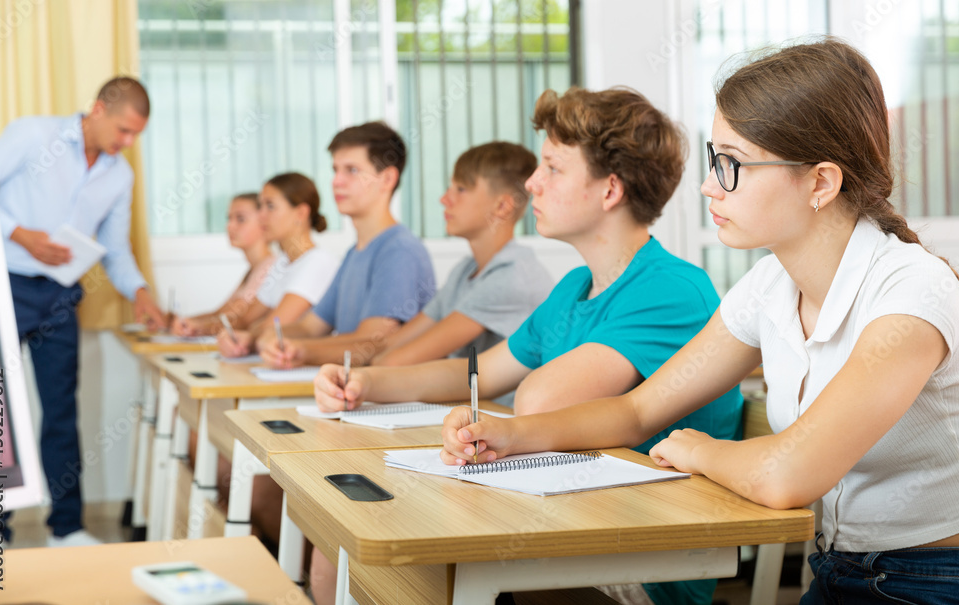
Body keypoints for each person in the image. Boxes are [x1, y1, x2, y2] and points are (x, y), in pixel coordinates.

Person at [441, 38, 959, 605]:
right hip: (840, 572)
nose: (706, 185)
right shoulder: (770, 286)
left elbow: (785, 474)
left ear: (821, 181)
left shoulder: (912, 292)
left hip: (937, 582)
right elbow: (638, 410)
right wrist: (509, 436)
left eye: (732, 165)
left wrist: (693, 449)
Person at [314, 88, 743, 605]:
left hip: (637, 567)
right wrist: (363, 384)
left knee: (405, 564)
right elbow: (478, 373)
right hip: (560, 525)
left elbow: (539, 401)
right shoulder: (574, 287)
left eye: (552, 168)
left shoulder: (670, 289)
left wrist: (502, 423)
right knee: (350, 542)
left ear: (609, 190)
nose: (532, 183)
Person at [0, 77, 167, 550]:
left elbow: (116, 251)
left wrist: (140, 291)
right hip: (5, 285)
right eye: (123, 130)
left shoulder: (119, 175)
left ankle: (66, 528)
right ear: (99, 109)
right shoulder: (32, 135)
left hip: (61, 297)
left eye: (135, 136)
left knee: (62, 411)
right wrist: (21, 234)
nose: (127, 143)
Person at [255, 121, 436, 367]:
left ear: (387, 179)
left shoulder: (399, 250)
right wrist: (265, 337)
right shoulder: (354, 253)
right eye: (335, 170)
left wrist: (299, 350)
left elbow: (371, 343)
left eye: (351, 170)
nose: (336, 181)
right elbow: (311, 327)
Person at [371, 141, 553, 378]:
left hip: (503, 413)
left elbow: (395, 362)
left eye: (461, 189)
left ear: (502, 206)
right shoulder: (464, 270)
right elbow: (393, 345)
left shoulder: (512, 276)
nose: (445, 199)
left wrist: (372, 365)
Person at [216, 173, 337, 356]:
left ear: (301, 213)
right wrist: (236, 333)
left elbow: (275, 326)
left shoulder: (318, 262)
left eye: (270, 206)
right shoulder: (281, 262)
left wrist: (247, 335)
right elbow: (247, 318)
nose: (261, 216)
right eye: (260, 206)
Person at [171, 193, 276, 336]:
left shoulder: (271, 268)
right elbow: (221, 313)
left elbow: (240, 320)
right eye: (229, 218)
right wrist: (181, 321)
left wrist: (195, 327)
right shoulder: (253, 269)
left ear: (264, 222)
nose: (230, 226)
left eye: (240, 219)